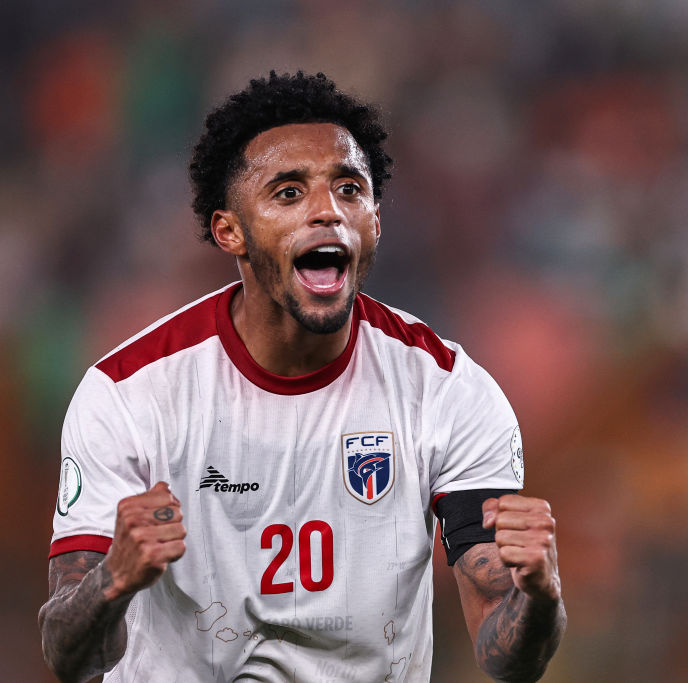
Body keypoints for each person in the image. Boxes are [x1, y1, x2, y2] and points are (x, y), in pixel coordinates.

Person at [37, 71, 565, 682]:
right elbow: (67, 656)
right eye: (288, 193)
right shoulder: (128, 394)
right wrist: (112, 581)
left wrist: (539, 596)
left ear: (374, 219)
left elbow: (505, 658)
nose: (327, 212)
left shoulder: (447, 390)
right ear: (228, 230)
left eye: (349, 189)